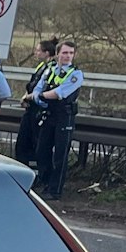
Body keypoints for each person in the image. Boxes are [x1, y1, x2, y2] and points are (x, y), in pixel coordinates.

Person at [30, 41, 85, 199]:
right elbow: (38, 88)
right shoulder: (50, 71)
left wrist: (40, 97)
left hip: (64, 116)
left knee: (60, 155)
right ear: (57, 54)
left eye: (71, 53)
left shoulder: (75, 74)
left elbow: (60, 92)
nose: (68, 56)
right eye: (65, 53)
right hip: (48, 114)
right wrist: (38, 97)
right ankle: (45, 182)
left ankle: (55, 190)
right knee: (42, 150)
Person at [16, 37, 60, 167]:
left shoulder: (52, 68)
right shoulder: (42, 66)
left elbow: (43, 89)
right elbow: (33, 85)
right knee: (23, 143)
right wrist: (26, 96)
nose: (36, 53)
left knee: (37, 145)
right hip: (31, 108)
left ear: (47, 53)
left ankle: (36, 175)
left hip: (39, 110)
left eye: (38, 50)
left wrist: (29, 98)